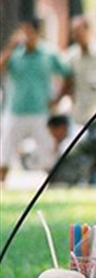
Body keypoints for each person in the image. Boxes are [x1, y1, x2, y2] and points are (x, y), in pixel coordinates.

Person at [0, 18, 73, 184]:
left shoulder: (48, 53)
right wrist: (11, 47)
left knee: (47, 153)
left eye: (29, 31)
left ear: (37, 32)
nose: (26, 36)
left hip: (41, 111)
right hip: (15, 110)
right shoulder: (15, 54)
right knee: (4, 151)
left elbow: (67, 74)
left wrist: (58, 98)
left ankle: (53, 184)